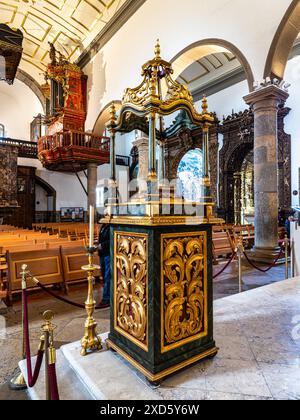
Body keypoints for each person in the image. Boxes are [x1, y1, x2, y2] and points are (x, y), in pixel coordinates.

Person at [98, 221, 111, 309]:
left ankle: (106, 298)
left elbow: (112, 239)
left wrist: (101, 245)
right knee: (104, 275)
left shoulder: (111, 226)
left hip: (108, 253)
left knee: (107, 276)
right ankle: (106, 296)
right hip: (102, 253)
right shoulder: (104, 225)